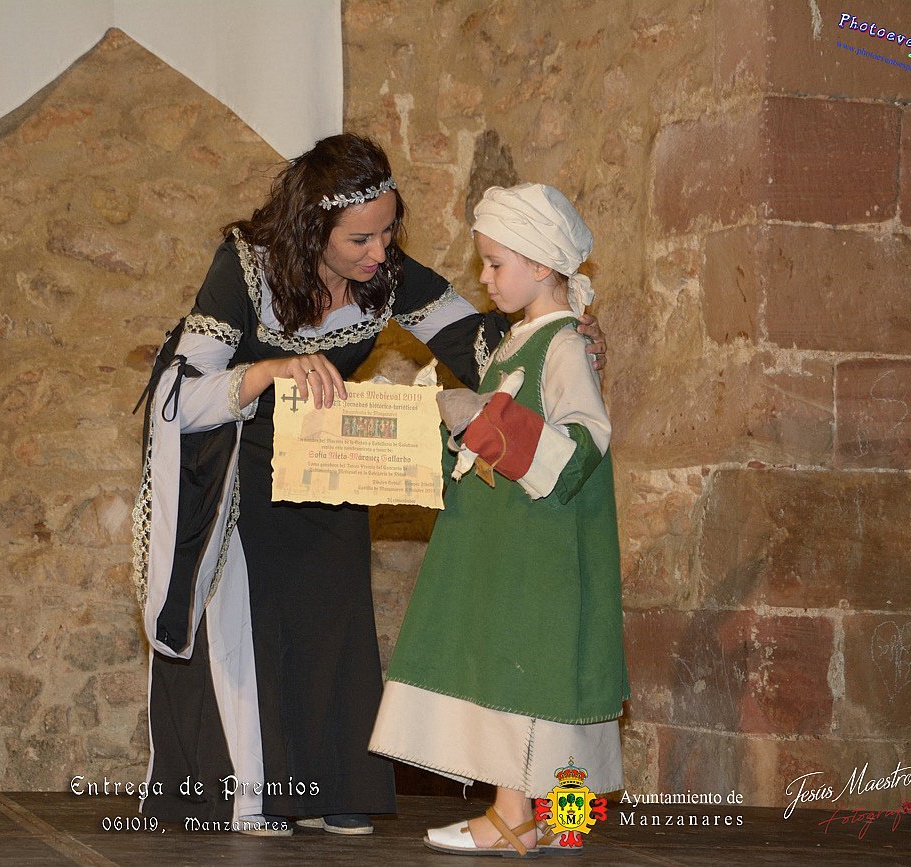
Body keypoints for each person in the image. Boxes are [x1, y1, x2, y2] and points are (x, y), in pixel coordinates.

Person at [133, 136, 607, 836]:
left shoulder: (386, 274)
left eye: (388, 232)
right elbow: (182, 392)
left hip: (328, 460)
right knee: (255, 622)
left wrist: (558, 337)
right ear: (311, 231)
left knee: (336, 609)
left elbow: (477, 344)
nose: (380, 252)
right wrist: (269, 372)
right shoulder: (245, 267)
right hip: (243, 465)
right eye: (360, 238)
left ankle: (333, 784)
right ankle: (260, 793)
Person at [369, 183, 627, 858]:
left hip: (540, 549)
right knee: (548, 677)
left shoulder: (563, 345)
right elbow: (495, 444)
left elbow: (581, 446)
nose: (484, 278)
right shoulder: (520, 341)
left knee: (527, 676)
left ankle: (514, 817)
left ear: (541, 264)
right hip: (514, 540)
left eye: (494, 263)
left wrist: (477, 417)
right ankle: (566, 818)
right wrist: (439, 426)